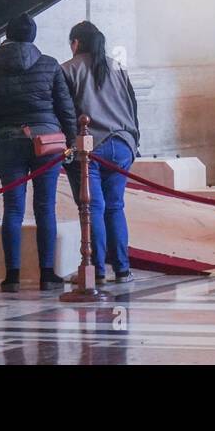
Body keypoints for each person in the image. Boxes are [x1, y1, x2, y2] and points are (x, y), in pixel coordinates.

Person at [0, 13, 79, 293]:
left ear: (7, 35)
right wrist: (71, 142)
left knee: (13, 208)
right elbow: (65, 108)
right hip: (47, 142)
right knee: (45, 207)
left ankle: (12, 277)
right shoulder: (49, 65)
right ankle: (48, 275)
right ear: (33, 36)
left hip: (9, 141)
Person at [61, 21, 141, 285]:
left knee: (92, 208)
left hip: (90, 148)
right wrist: (134, 141)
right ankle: (122, 269)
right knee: (115, 206)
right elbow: (133, 104)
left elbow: (65, 112)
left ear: (75, 43)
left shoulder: (68, 69)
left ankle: (94, 270)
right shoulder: (118, 66)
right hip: (123, 143)